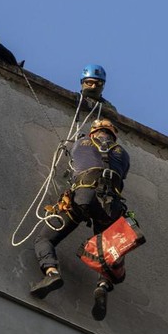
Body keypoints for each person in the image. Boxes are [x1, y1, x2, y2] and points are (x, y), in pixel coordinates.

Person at [31, 118, 130, 321]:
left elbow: (75, 159)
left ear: (93, 132)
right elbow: (122, 173)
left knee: (45, 239)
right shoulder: (124, 154)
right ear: (113, 135)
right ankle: (102, 285)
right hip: (111, 206)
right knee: (111, 253)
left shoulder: (82, 142)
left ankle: (51, 273)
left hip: (84, 197)